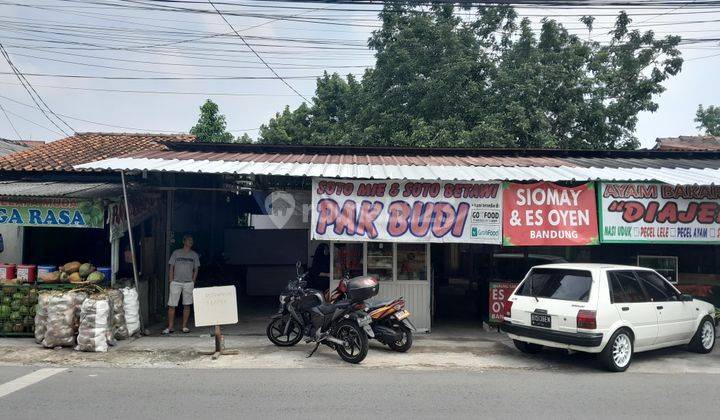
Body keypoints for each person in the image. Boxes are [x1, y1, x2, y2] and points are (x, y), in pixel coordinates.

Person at [162, 235, 200, 334]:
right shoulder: (176, 253)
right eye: (189, 240)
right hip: (176, 282)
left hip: (188, 283)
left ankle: (184, 326)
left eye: (192, 240)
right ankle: (170, 327)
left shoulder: (194, 255)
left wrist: (193, 281)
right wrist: (171, 280)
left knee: (187, 305)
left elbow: (196, 269)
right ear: (184, 241)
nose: (191, 242)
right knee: (172, 305)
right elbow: (171, 267)